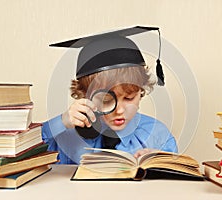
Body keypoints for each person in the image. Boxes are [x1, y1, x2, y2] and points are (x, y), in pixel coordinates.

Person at [42, 26, 178, 164]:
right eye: (106, 101)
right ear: (85, 95)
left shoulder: (157, 135)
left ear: (141, 91)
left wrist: (161, 164)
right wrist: (61, 122)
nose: (119, 111)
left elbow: (177, 180)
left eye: (129, 98)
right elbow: (27, 153)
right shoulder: (67, 136)